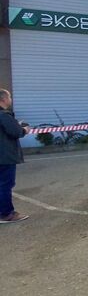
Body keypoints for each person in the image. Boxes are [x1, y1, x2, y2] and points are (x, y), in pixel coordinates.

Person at [0, 89, 30, 224]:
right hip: (4, 156)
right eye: (9, 97)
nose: (11, 99)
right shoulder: (4, 115)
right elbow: (15, 132)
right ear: (4, 100)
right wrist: (24, 129)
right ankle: (6, 214)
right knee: (6, 184)